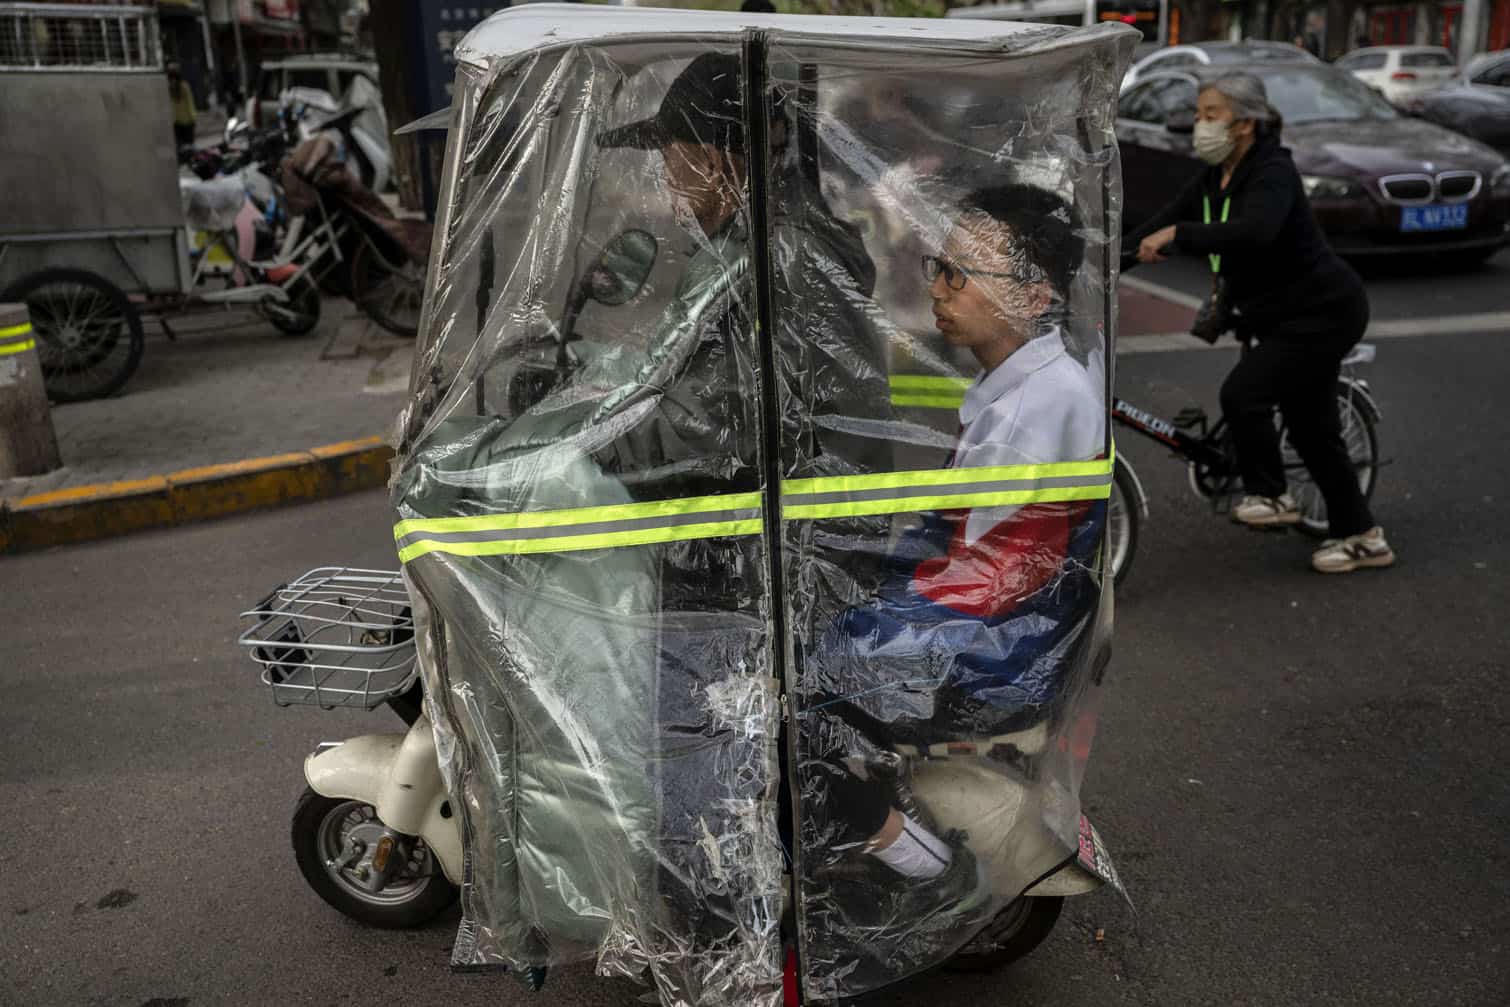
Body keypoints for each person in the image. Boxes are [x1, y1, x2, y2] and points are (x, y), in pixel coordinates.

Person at [810, 183, 1104, 920]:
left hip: (991, 644)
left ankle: (916, 857)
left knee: (790, 692)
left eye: (958, 274)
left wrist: (870, 611)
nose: (937, 288)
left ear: (1035, 297)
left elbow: (990, 577)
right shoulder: (1029, 381)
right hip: (990, 615)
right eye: (938, 266)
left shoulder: (1033, 412)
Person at [1130, 74, 1394, 574]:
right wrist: (1099, 264)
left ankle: (1272, 494)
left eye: (1211, 114)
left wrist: (1180, 235)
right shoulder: (1214, 177)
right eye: (1199, 114)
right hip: (1274, 315)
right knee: (1313, 431)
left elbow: (1256, 231)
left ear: (1245, 123)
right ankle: (1363, 536)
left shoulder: (1273, 171)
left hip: (1322, 311)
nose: (1199, 125)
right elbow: (1156, 223)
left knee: (1244, 396)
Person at [167, 61, 196, 150]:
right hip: (186, 120)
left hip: (176, 121)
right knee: (189, 145)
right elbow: (190, 102)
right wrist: (193, 117)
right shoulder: (184, 86)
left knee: (181, 146)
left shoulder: (168, 87)